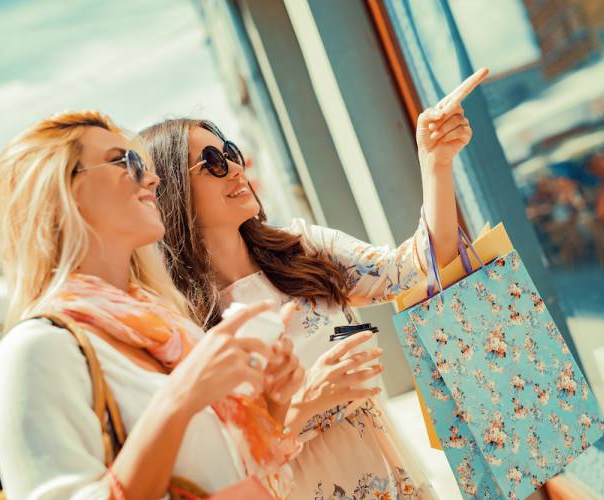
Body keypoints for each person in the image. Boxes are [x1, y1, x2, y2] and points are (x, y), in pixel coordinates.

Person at [139, 68, 489, 498]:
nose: (234, 167)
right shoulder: (179, 322)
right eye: (211, 163)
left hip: (389, 475)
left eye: (230, 152)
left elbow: (414, 271)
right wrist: (306, 401)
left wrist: (435, 164)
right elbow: (217, 458)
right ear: (174, 192)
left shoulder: (304, 249)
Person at [0, 111, 372, 499]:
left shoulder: (167, 327)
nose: (152, 178)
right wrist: (181, 396)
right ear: (65, 192)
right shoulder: (37, 348)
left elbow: (232, 470)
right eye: (128, 162)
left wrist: (274, 401)